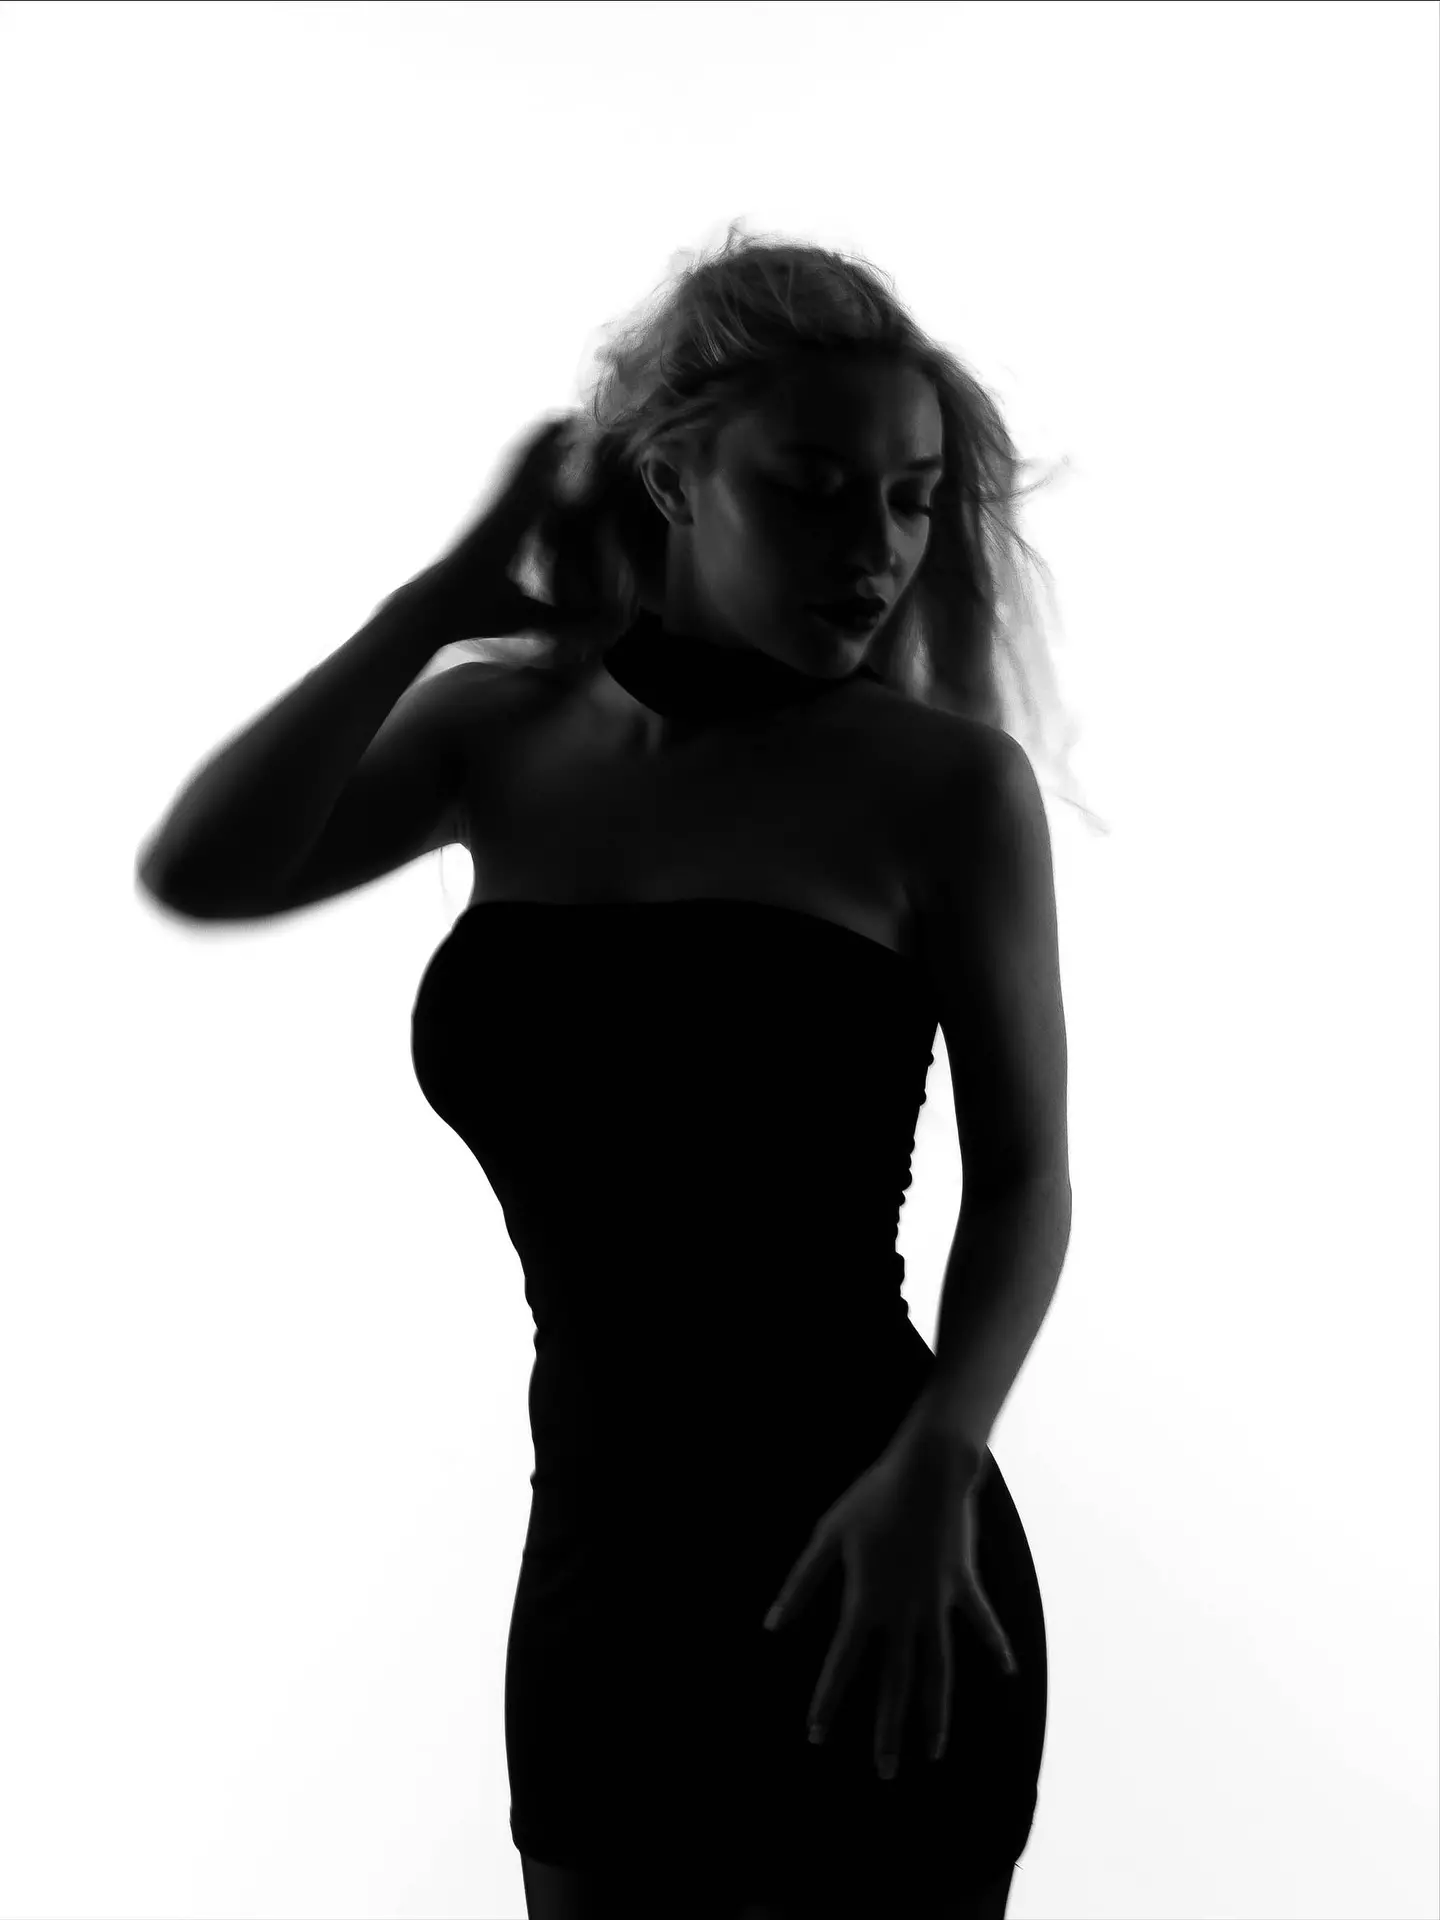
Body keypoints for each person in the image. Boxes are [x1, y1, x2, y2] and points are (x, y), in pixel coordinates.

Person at [139, 228, 1082, 1920]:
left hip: (876, 1545)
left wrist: (939, 1463)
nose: (875, 549)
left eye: (912, 499)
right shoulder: (499, 733)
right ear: (670, 478)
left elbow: (1025, 1181)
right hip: (601, 1551)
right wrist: (436, 606)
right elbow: (203, 871)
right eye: (814, 490)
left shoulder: (943, 788)